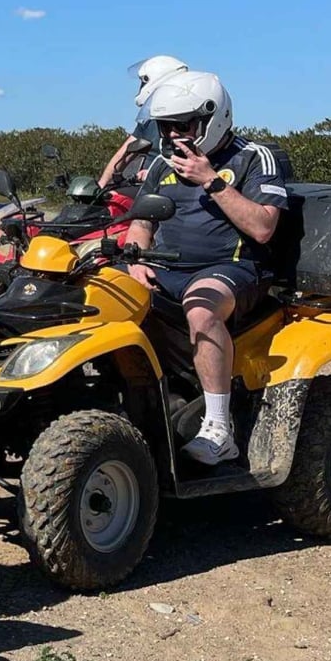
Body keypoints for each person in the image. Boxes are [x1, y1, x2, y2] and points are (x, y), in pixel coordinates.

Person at [125, 71, 288, 465]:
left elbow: (264, 228)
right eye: (167, 126)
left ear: (213, 118)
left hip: (233, 269)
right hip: (165, 269)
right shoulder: (164, 166)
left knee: (201, 307)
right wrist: (134, 260)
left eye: (184, 125)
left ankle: (219, 428)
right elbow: (141, 223)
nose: (175, 135)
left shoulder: (252, 158)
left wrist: (211, 180)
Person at [98, 55, 188, 188]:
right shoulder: (150, 120)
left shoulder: (188, 121)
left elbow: (193, 162)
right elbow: (124, 153)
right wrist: (100, 186)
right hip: (145, 187)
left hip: (171, 188)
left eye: (144, 82)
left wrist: (155, 173)